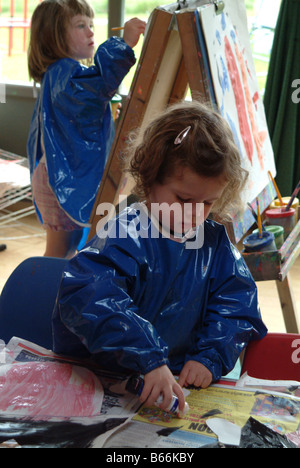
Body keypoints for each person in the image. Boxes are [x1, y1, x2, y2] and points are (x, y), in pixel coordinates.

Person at [52, 100, 268, 413]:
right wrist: (148, 358)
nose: (195, 214)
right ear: (150, 180)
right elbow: (88, 295)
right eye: (184, 198)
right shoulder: (125, 234)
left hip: (174, 381)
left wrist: (209, 356)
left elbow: (236, 305)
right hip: (104, 380)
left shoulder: (214, 242)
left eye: (207, 202)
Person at [27, 0, 146, 258]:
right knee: (58, 252)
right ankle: (45, 296)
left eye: (91, 24)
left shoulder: (65, 72)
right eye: (81, 25)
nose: (91, 31)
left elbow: (86, 105)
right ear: (53, 37)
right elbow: (97, 85)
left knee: (68, 249)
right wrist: (122, 44)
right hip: (57, 178)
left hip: (60, 174)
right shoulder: (63, 71)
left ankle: (58, 294)